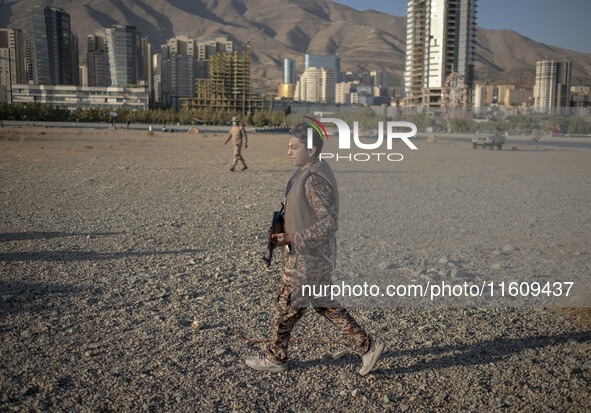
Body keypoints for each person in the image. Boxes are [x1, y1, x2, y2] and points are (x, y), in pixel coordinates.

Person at [245, 123, 385, 375]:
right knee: (324, 304)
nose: (289, 152)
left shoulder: (313, 179)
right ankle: (367, 346)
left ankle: (276, 357)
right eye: (288, 146)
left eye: (294, 147)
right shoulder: (309, 171)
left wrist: (292, 237)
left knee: (285, 306)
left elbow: (329, 223)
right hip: (313, 255)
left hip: (309, 258)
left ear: (311, 150)